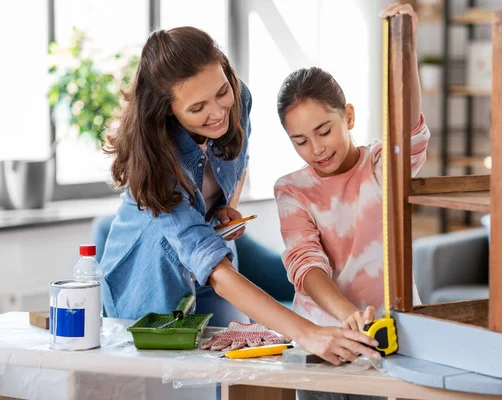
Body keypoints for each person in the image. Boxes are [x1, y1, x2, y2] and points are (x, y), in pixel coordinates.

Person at [101, 26, 379, 365]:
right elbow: (216, 272)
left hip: (212, 255)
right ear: (167, 109)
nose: (218, 112)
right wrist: (308, 332)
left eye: (221, 92)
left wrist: (225, 207)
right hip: (150, 268)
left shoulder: (238, 96)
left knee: (236, 364)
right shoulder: (159, 163)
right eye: (198, 107)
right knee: (166, 377)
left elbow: (238, 156)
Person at [275, 4, 429, 336]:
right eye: (300, 141)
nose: (316, 149)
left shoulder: (378, 166)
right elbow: (306, 265)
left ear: (348, 116)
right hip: (323, 335)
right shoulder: (291, 190)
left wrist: (406, 49)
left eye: (324, 131)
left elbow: (409, 131)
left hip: (397, 328)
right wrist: (349, 315)